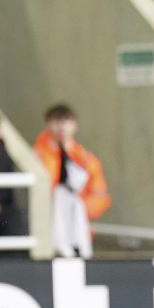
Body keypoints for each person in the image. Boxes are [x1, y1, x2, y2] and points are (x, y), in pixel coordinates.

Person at [34, 104, 112, 258]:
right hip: (46, 228)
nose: (62, 126)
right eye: (56, 121)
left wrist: (79, 209)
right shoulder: (37, 156)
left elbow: (100, 195)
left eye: (66, 121)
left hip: (78, 231)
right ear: (47, 124)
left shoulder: (86, 159)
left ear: (75, 125)